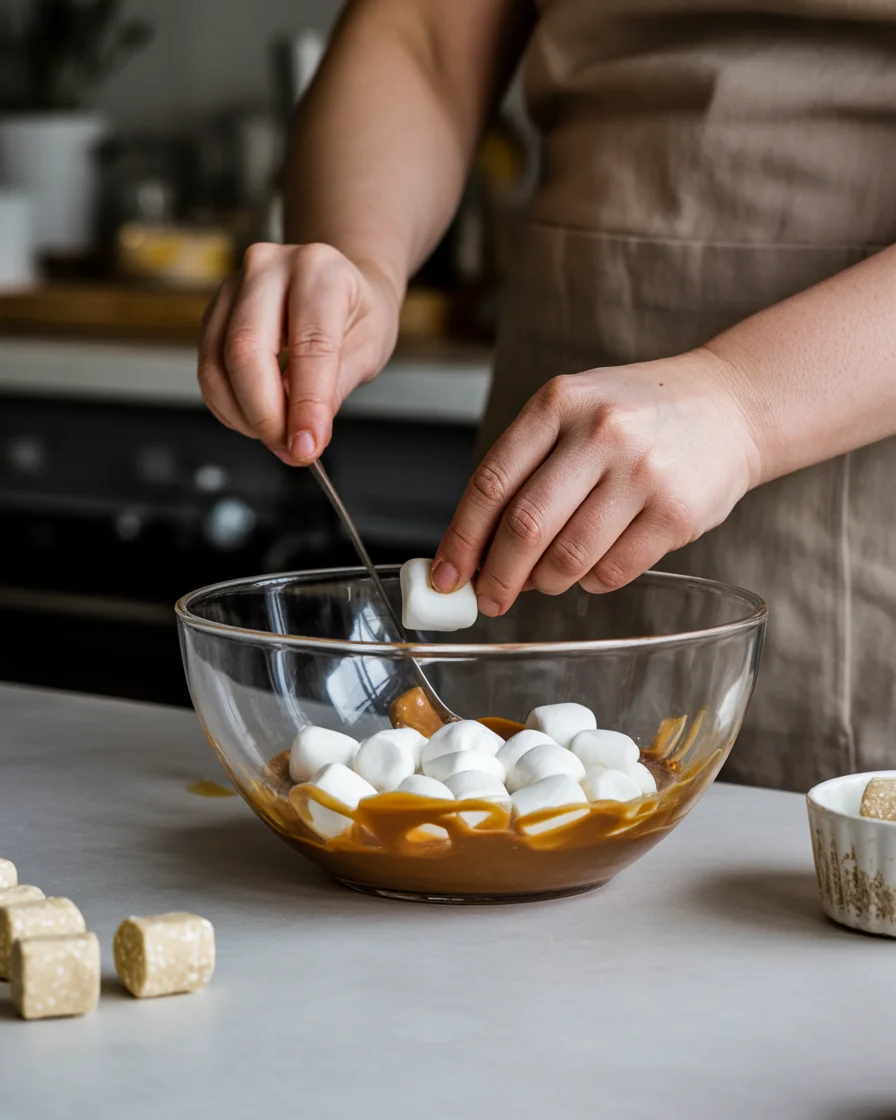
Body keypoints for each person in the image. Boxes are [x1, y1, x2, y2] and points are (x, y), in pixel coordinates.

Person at [197, 0, 896, 792]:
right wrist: (362, 258)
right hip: (574, 356)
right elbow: (424, 35)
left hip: (858, 403)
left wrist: (742, 405)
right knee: (518, 779)